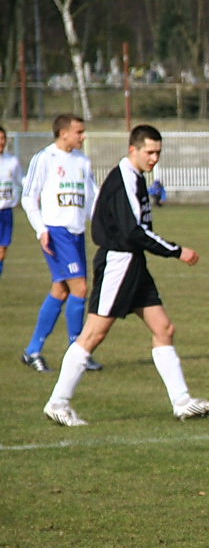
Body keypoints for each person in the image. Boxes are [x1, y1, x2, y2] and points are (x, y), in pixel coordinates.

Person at [43, 124, 209, 426]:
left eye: (158, 153)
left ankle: (182, 401)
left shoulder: (135, 177)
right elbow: (134, 231)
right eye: (149, 152)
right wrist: (177, 251)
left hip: (132, 263)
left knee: (164, 328)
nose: (154, 158)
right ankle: (58, 402)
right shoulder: (124, 177)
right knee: (94, 334)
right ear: (132, 150)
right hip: (119, 263)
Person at [20, 114, 102, 372]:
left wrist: (105, 223)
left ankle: (33, 351)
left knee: (61, 290)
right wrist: (41, 229)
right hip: (56, 232)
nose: (83, 136)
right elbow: (28, 197)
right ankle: (78, 352)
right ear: (63, 133)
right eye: (79, 132)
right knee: (80, 289)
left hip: (76, 233)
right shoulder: (45, 158)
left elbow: (92, 197)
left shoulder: (82, 161)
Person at [0, 125, 23, 278]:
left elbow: (21, 181)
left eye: (3, 138)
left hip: (6, 212)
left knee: (2, 250)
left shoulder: (12, 161)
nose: (1, 142)